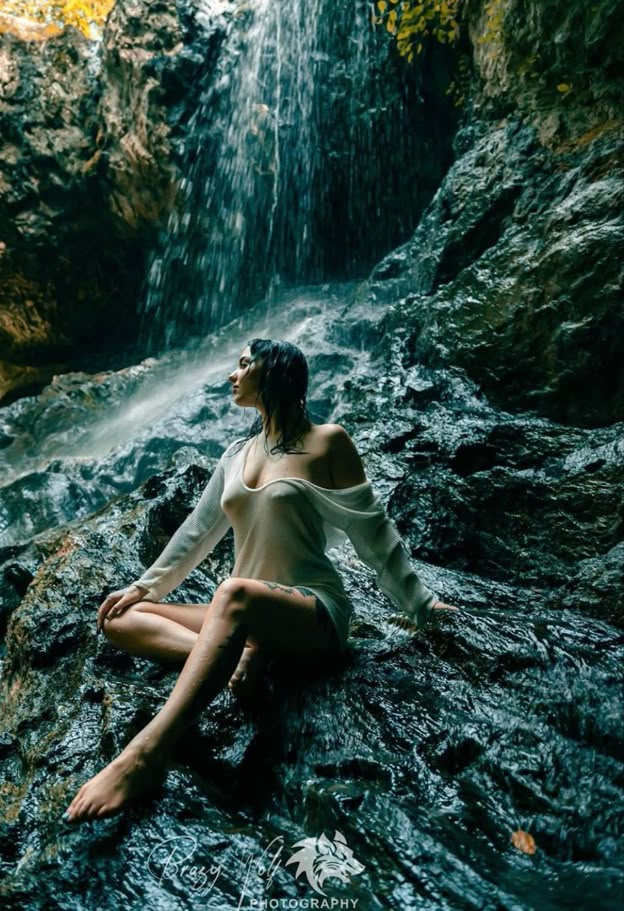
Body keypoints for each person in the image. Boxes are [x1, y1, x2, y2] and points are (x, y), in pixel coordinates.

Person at [63, 339, 457, 823]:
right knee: (121, 620)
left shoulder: (328, 442)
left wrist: (423, 607)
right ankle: (232, 656)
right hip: (244, 618)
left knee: (231, 593)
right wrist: (144, 589)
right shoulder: (236, 454)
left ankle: (145, 753)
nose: (233, 374)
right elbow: (196, 532)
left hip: (313, 612)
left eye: (245, 364)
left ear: (277, 373)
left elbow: (375, 535)